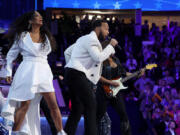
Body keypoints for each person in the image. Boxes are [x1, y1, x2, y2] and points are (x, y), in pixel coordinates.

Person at [1, 11, 66, 135]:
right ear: (30, 21)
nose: (41, 18)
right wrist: (8, 72)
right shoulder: (22, 36)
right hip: (28, 71)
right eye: (37, 16)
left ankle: (61, 132)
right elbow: (11, 55)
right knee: (24, 105)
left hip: (43, 71)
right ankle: (15, 132)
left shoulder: (46, 37)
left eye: (41, 17)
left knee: (53, 104)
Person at [64, 19, 118, 135]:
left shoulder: (83, 39)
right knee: (91, 105)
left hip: (71, 74)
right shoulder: (92, 40)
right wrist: (111, 46)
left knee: (77, 109)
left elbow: (67, 52)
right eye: (106, 29)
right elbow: (98, 58)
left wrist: (71, 66)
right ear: (98, 28)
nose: (108, 32)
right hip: (76, 74)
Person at [96, 55, 132, 135]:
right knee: (98, 117)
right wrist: (110, 82)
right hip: (103, 91)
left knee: (124, 116)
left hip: (115, 91)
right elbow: (97, 76)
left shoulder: (116, 59)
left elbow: (124, 73)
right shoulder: (100, 59)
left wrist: (136, 74)